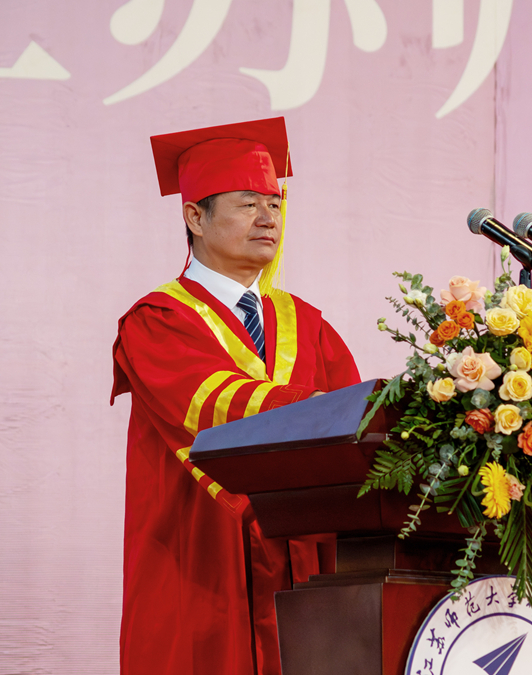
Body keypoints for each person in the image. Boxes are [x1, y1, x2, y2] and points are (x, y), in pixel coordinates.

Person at [110, 117, 360, 675]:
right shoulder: (157, 321)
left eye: (274, 203)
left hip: (303, 578)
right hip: (199, 571)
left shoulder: (308, 325)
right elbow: (218, 408)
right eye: (248, 204)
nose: (268, 218)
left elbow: (359, 440)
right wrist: (326, 409)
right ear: (194, 217)